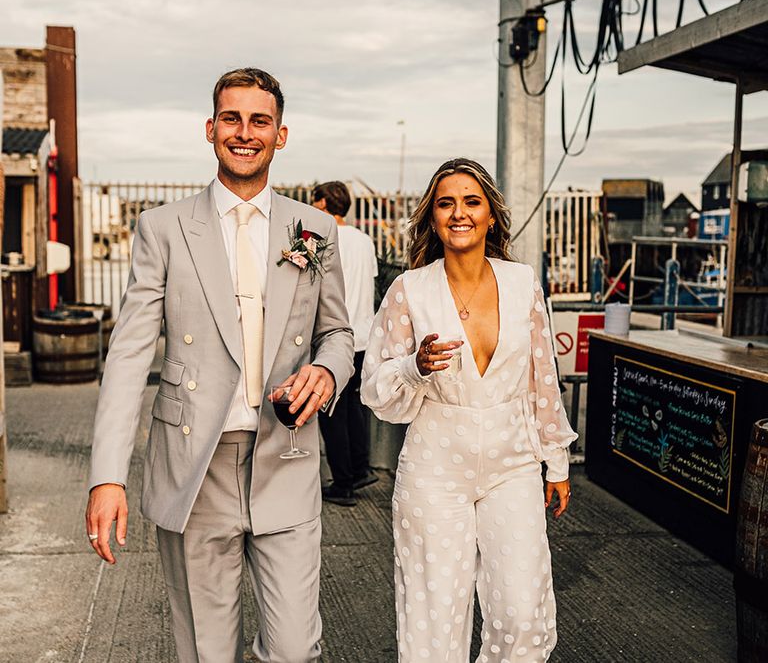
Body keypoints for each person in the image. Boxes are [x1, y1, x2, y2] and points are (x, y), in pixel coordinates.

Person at [85, 68, 354, 663]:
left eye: (260, 120)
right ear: (210, 129)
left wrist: (329, 371)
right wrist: (108, 476)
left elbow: (336, 331)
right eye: (231, 118)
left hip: (286, 457)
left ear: (280, 135)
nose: (244, 132)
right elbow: (129, 354)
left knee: (293, 649)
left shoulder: (315, 230)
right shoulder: (162, 228)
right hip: (194, 465)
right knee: (207, 651)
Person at [360, 158, 577, 662]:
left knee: (523, 614)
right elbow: (375, 386)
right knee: (434, 616)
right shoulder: (408, 290)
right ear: (432, 218)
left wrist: (557, 461)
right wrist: (415, 367)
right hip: (435, 468)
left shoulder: (523, 283)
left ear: (491, 216)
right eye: (446, 203)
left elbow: (542, 378)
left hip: (514, 464)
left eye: (471, 201)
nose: (459, 213)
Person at [312, 181, 378, 506]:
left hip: (334, 336)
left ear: (323, 203)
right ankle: (361, 467)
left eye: (314, 201)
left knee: (331, 411)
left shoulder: (321, 236)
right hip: (364, 335)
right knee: (354, 406)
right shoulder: (365, 241)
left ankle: (343, 482)